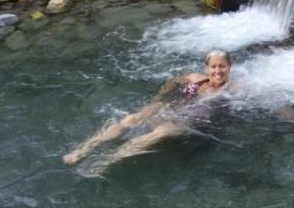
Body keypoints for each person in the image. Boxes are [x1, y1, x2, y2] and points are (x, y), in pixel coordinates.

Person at [62, 50, 233, 172]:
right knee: (131, 118)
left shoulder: (233, 88)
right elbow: (173, 82)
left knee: (160, 132)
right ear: (206, 68)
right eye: (213, 66)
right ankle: (83, 149)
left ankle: (108, 160)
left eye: (222, 66)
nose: (217, 71)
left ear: (229, 67)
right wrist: (158, 100)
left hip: (189, 121)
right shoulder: (196, 78)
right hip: (171, 108)